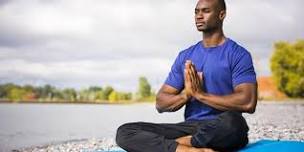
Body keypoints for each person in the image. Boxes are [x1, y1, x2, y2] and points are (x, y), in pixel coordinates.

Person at [116, 0, 257, 151]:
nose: (199, 16)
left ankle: (182, 143)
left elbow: (247, 102)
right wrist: (186, 95)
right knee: (125, 132)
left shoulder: (238, 55)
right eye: (196, 12)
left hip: (221, 127)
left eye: (206, 11)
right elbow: (161, 103)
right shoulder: (186, 56)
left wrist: (200, 95)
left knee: (235, 124)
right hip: (190, 127)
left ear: (221, 15)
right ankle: (186, 149)